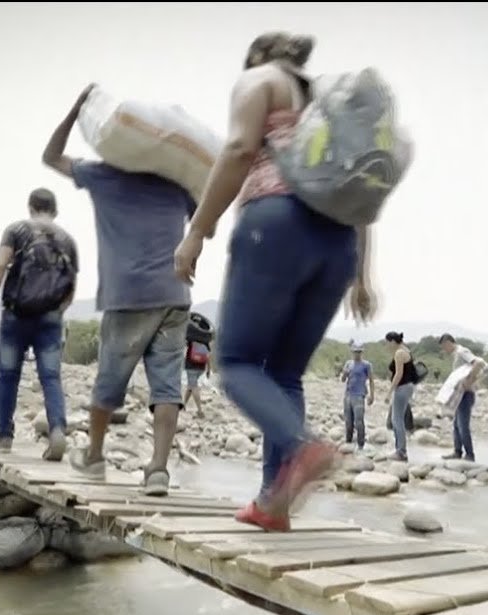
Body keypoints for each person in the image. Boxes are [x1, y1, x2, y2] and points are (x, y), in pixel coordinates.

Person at [173, 31, 378, 531]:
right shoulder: (334, 105)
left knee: (238, 363)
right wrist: (363, 274)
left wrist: (198, 230)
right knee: (284, 373)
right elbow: (362, 191)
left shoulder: (261, 79)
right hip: (338, 244)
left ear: (261, 56)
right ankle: (273, 503)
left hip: (278, 224)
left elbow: (241, 146)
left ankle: (303, 446)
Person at [42, 85, 196, 496]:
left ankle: (94, 457)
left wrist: (76, 109)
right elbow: (204, 222)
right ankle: (158, 470)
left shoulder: (102, 175)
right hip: (176, 295)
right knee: (167, 385)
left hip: (129, 295)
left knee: (110, 380)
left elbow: (50, 157)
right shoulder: (177, 184)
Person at [0, 188, 79, 460]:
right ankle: (57, 429)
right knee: (51, 377)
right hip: (50, 318)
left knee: (8, 375)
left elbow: (0, 265)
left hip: (16, 314)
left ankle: (4, 436)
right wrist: (56, 312)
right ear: (55, 210)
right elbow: (71, 287)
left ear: (31, 206)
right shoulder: (68, 239)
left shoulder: (16, 229)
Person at [439, 333, 488, 461]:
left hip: (466, 394)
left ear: (448, 343)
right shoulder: (457, 354)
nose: (444, 350)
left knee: (463, 425)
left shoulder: (461, 352)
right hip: (460, 394)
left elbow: (478, 363)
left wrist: (470, 381)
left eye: (444, 347)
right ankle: (457, 452)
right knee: (457, 424)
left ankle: (469, 454)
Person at [383, 332, 419, 462]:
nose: (386, 345)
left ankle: (401, 451)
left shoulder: (399, 353)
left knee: (396, 419)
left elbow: (398, 374)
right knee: (398, 418)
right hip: (407, 387)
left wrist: (389, 391)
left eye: (387, 342)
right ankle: (400, 450)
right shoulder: (405, 349)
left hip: (402, 388)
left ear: (392, 341)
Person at [340, 343, 375, 452]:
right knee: (348, 421)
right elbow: (342, 379)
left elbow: (371, 380)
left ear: (362, 352)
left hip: (359, 396)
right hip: (348, 395)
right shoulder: (348, 364)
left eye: (359, 352)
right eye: (355, 352)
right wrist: (345, 373)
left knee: (359, 421)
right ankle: (348, 442)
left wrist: (372, 395)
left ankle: (361, 444)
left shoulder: (366, 365)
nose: (357, 354)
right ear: (352, 352)